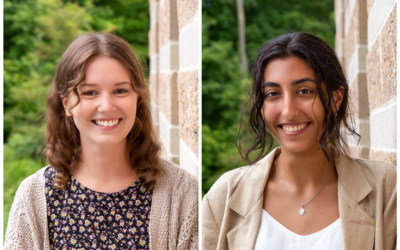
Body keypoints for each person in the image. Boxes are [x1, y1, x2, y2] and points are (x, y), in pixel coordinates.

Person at [202, 32, 396, 250]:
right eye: (273, 94)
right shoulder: (223, 196)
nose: (289, 111)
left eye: (304, 91)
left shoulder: (387, 189)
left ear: (336, 99)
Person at [5, 33, 198, 249]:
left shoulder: (183, 193)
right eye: (89, 92)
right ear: (67, 104)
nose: (106, 106)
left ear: (138, 98)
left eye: (120, 90)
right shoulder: (33, 196)